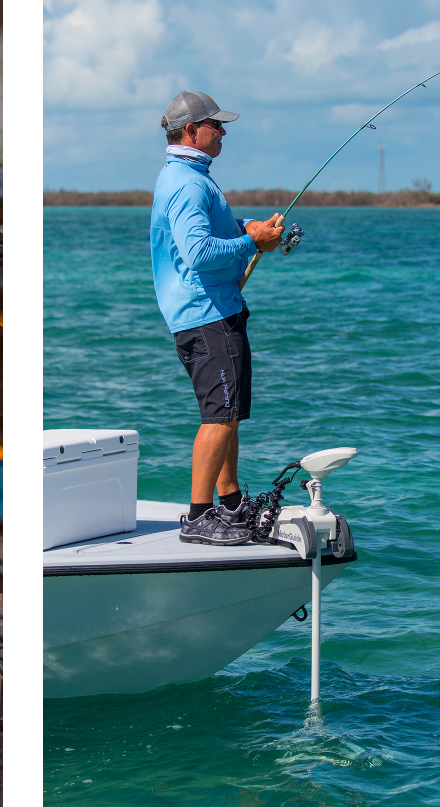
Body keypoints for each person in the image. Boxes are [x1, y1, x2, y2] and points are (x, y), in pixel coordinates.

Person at [149, 90, 284, 545]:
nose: (223, 133)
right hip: (205, 315)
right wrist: (254, 244)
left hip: (212, 311)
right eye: (215, 125)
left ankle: (229, 503)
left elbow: (209, 235)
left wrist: (246, 229)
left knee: (227, 415)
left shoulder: (188, 177)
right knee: (218, 416)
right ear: (191, 131)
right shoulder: (187, 184)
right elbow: (200, 253)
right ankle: (199, 516)